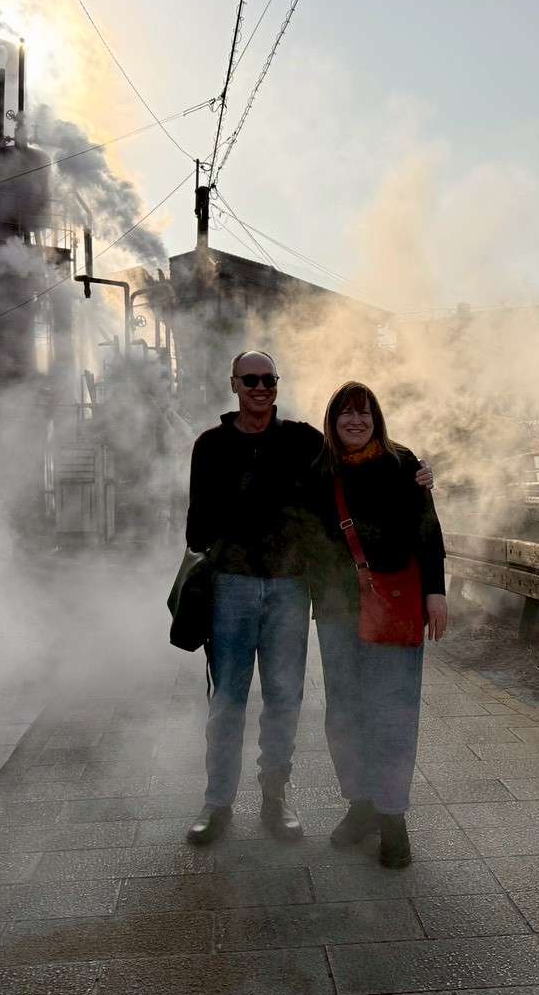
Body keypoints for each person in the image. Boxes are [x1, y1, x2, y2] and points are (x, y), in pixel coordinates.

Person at [182, 352, 432, 846]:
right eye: (250, 380)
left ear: (276, 384)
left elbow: (361, 455)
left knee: (284, 697)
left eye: (268, 379)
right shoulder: (210, 446)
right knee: (227, 698)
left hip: (291, 587)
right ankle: (217, 803)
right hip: (232, 585)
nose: (260, 387)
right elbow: (196, 526)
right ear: (234, 384)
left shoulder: (302, 441)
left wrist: (416, 471)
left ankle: (275, 797)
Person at [309, 381, 447, 869]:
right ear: (332, 420)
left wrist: (436, 591)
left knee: (393, 712)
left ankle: (392, 815)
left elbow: (428, 528)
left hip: (394, 604)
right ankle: (360, 804)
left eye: (364, 412)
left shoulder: (403, 463)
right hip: (336, 609)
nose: (355, 421)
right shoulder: (319, 468)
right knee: (345, 712)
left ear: (377, 418)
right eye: (345, 412)